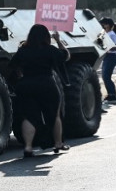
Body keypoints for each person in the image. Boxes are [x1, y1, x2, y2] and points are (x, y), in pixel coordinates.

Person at [7, 24, 70, 157]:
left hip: (26, 85)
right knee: (54, 114)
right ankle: (58, 144)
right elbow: (66, 56)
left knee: (28, 116)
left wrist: (21, 76)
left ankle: (28, 147)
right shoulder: (49, 49)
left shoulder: (23, 50)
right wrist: (58, 40)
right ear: (46, 36)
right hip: (47, 84)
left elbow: (12, 65)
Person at [100, 18, 116, 102]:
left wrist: (105, 49)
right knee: (105, 76)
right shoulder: (106, 33)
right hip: (108, 56)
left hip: (111, 56)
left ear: (108, 25)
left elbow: (115, 46)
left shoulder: (112, 34)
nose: (103, 25)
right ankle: (111, 94)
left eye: (104, 24)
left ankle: (113, 94)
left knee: (106, 76)